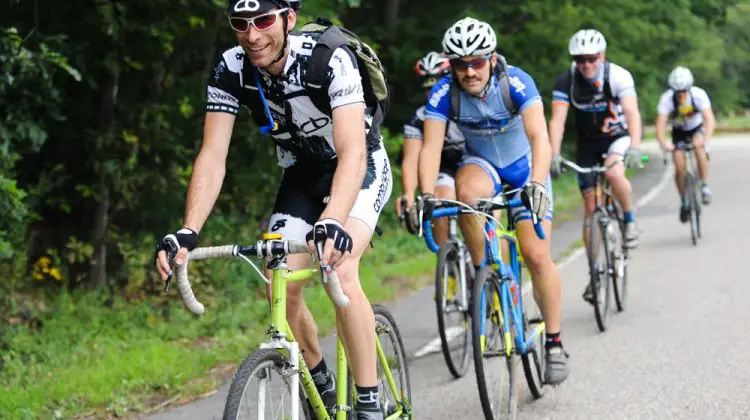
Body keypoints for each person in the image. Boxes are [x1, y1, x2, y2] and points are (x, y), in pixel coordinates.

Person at [154, 1, 392, 418]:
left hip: (360, 167)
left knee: (339, 265)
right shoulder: (231, 68)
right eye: (240, 24)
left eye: (263, 20)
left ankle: (369, 401)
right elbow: (213, 155)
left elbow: (353, 152)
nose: (252, 34)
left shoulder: (328, 59)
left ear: (289, 19)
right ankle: (318, 380)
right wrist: (188, 230)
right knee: (278, 279)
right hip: (303, 174)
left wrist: (333, 219)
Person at [418, 17, 569, 385]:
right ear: (450, 65)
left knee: (536, 255)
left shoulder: (515, 82)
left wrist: (536, 181)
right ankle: (486, 274)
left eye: (477, 62)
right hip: (483, 166)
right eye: (460, 64)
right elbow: (431, 147)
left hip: (525, 169)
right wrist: (424, 194)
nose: (469, 72)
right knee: (464, 193)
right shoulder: (442, 93)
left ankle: (553, 342)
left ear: (492, 57)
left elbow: (540, 138)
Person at [548, 29, 643, 304]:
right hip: (587, 145)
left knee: (614, 172)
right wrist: (554, 154)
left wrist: (635, 146)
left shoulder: (618, 76)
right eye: (580, 60)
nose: (586, 64)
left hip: (618, 137)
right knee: (590, 208)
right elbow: (557, 120)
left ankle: (629, 219)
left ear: (602, 56)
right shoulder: (566, 81)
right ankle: (594, 272)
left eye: (591, 58)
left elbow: (633, 112)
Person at [397, 51, 465, 245]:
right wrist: (408, 194)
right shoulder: (419, 117)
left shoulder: (467, 105)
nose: (433, 93)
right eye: (428, 89)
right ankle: (449, 263)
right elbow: (411, 159)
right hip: (444, 167)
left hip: (472, 160)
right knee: (438, 201)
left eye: (438, 86)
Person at [655, 66, 714, 221]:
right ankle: (684, 200)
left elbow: (709, 119)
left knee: (699, 147)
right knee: (679, 166)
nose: (681, 94)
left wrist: (706, 138)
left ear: (689, 87)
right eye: (677, 91)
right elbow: (660, 124)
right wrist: (664, 144)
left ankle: (704, 184)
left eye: (684, 91)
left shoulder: (698, 95)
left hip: (696, 128)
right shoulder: (667, 99)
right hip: (679, 132)